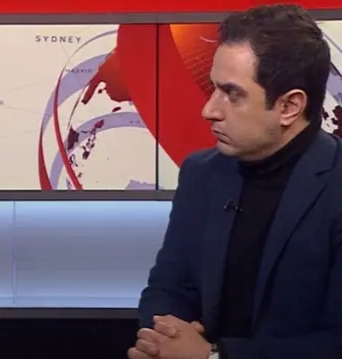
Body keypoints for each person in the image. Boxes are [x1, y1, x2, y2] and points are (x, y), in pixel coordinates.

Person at [128, 4, 342, 359]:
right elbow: (168, 286)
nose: (209, 109)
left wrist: (212, 355)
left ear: (289, 106)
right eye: (213, 88)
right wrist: (163, 340)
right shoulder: (201, 173)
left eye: (233, 93)